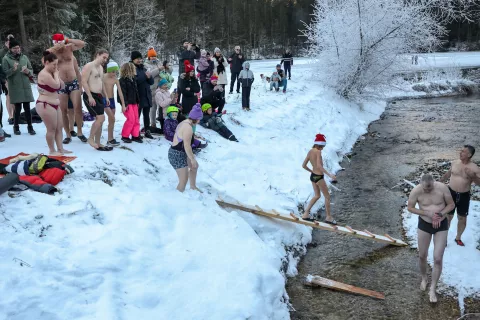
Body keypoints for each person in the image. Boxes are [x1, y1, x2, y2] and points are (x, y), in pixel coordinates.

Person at [407, 174, 455, 303]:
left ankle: (433, 288)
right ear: (420, 184)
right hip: (424, 224)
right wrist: (427, 213)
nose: (428, 190)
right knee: (422, 255)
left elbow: (451, 205)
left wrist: (439, 214)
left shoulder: (442, 188)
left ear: (434, 183)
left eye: (430, 188)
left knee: (438, 258)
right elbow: (410, 207)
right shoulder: (416, 191)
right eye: (425, 189)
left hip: (441, 224)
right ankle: (424, 278)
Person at [48, 33, 87, 144]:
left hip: (73, 82)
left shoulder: (69, 48)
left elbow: (82, 44)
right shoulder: (52, 52)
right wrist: (55, 47)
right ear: (54, 42)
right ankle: (68, 134)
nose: (59, 44)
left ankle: (79, 132)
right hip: (61, 84)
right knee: (63, 111)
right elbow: (45, 56)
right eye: (57, 41)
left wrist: (67, 40)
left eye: (60, 41)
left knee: (78, 108)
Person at [440, 145, 480, 246]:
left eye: (463, 151)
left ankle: (458, 238)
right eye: (461, 151)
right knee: (448, 217)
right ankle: (444, 238)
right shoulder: (455, 162)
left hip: (464, 196)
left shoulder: (474, 168)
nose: (460, 153)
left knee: (462, 219)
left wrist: (473, 176)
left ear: (469, 155)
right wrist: (437, 183)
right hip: (451, 193)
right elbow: (448, 174)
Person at [35, 51, 72, 155]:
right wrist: (56, 74)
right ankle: (52, 150)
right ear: (46, 63)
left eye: (57, 64)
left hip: (55, 104)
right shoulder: (44, 74)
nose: (55, 67)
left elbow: (63, 85)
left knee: (59, 127)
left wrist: (56, 75)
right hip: (45, 104)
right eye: (54, 64)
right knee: (51, 129)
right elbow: (56, 86)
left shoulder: (53, 73)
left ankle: (60, 148)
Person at [2, 38, 35, 135]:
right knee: (18, 108)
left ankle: (30, 127)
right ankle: (16, 127)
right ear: (10, 49)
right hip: (15, 86)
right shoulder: (6, 59)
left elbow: (31, 69)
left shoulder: (24, 57)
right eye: (15, 48)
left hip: (25, 85)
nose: (17, 50)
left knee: (27, 108)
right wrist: (13, 69)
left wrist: (28, 72)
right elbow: (4, 74)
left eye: (18, 48)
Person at [301, 134, 337, 224]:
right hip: (319, 177)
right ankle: (328, 217)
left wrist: (311, 171)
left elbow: (303, 165)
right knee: (327, 197)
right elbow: (319, 166)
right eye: (322, 146)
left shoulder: (310, 151)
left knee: (317, 196)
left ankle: (305, 214)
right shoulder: (318, 152)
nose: (323, 148)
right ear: (319, 145)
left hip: (313, 176)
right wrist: (329, 175)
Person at [81, 48, 112, 151]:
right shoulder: (89, 66)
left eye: (106, 58)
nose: (105, 60)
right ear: (97, 55)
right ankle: (90, 139)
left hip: (99, 96)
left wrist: (106, 96)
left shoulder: (101, 68)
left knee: (101, 120)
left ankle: (98, 142)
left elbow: (101, 83)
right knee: (101, 118)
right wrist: (89, 96)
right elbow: (84, 81)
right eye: (103, 57)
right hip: (90, 95)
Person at [168, 104, 203, 192]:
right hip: (176, 155)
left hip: (181, 152)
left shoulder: (185, 122)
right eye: (199, 119)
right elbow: (187, 146)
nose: (200, 121)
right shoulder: (188, 128)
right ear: (197, 118)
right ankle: (176, 199)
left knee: (194, 167)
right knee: (183, 181)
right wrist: (192, 159)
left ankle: (193, 187)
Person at [131, 50, 158, 139]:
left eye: (140, 59)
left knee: (147, 115)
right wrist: (145, 76)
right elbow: (136, 80)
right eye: (137, 59)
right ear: (133, 59)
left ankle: (147, 131)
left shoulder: (143, 68)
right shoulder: (131, 68)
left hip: (146, 94)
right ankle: (136, 132)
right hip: (137, 95)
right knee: (136, 115)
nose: (139, 60)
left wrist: (149, 77)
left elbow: (151, 82)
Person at [103, 60, 125, 146]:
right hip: (104, 99)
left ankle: (110, 138)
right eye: (112, 71)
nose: (114, 73)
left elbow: (120, 92)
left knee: (111, 121)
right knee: (112, 118)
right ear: (108, 70)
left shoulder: (115, 79)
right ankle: (109, 139)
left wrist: (123, 104)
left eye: (115, 72)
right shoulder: (103, 77)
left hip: (112, 100)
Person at [119, 62, 142, 144]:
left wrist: (138, 101)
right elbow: (122, 93)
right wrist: (124, 104)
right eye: (133, 69)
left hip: (135, 102)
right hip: (128, 103)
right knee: (131, 119)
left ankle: (135, 135)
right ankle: (125, 135)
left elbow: (136, 92)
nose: (134, 70)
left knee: (136, 119)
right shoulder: (122, 80)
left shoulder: (133, 79)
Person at [144, 47, 163, 134]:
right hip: (152, 88)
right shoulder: (146, 64)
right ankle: (153, 123)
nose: (153, 58)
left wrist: (166, 68)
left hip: (161, 87)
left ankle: (162, 121)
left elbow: (166, 72)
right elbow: (150, 74)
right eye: (151, 56)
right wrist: (158, 69)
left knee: (162, 105)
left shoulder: (159, 62)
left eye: (154, 56)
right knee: (153, 107)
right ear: (149, 57)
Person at [0, 35, 15, 124]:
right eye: (8, 41)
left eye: (11, 41)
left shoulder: (15, 51)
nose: (9, 43)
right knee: (9, 96)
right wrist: (2, 78)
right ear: (5, 43)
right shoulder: (1, 52)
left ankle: (16, 114)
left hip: (15, 77)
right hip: (6, 77)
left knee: (15, 96)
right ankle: (11, 116)